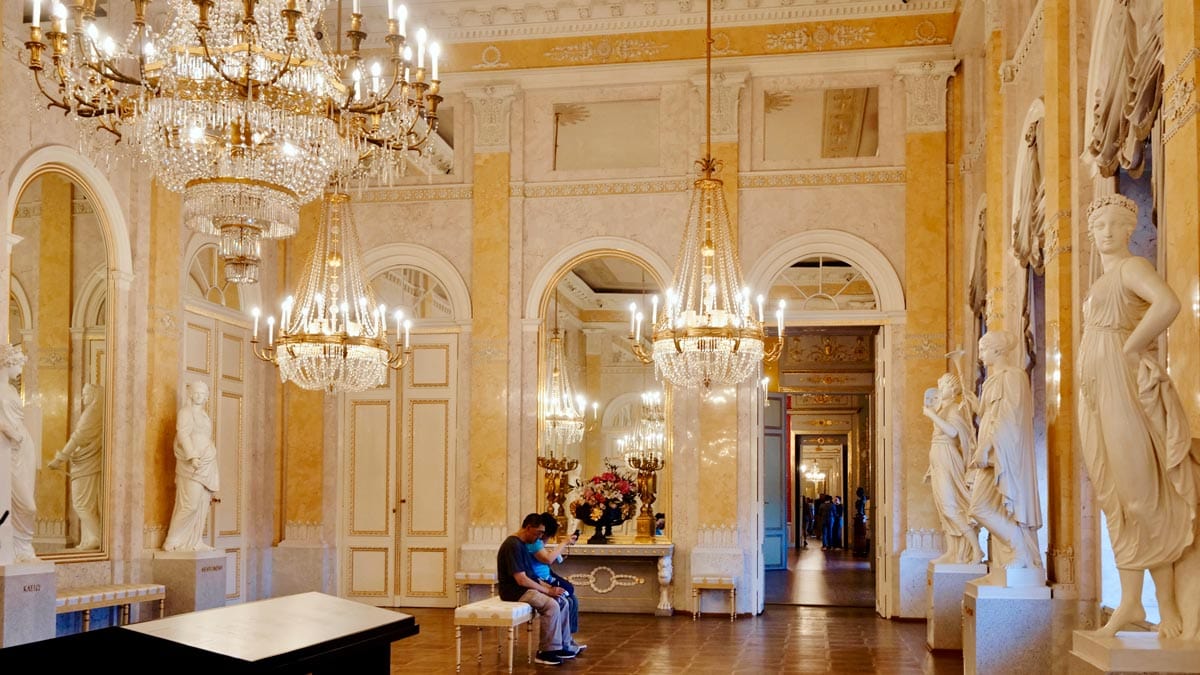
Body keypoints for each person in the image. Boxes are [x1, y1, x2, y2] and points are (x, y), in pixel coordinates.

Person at [1077, 194, 1200, 639]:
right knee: (1113, 496)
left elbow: (1168, 303)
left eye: (1115, 224)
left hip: (1121, 385)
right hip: (1096, 391)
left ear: (1130, 229)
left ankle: (1166, 605)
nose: (1106, 232)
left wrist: (1130, 348)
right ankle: (1130, 602)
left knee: (1141, 496)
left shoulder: (1132, 268)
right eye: (1099, 226)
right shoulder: (1099, 281)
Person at [969, 330, 1043, 584]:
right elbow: (989, 415)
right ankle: (1017, 551)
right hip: (991, 453)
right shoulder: (991, 381)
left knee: (982, 507)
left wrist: (986, 447)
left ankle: (1021, 552)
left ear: (997, 350)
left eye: (983, 349)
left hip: (1003, 453)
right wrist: (974, 405)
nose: (980, 355)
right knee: (978, 507)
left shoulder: (1013, 377)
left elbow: (1008, 418)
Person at [498, 513, 578, 666]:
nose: (540, 537)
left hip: (524, 588)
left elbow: (532, 576)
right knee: (551, 604)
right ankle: (546, 652)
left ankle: (562, 645)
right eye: (539, 533)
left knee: (562, 600)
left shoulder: (521, 544)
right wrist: (547, 591)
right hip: (515, 591)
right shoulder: (512, 545)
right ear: (528, 528)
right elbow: (521, 579)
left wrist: (550, 587)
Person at [923, 373, 984, 565]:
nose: (939, 390)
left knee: (951, 507)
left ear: (953, 389)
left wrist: (931, 415)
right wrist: (931, 469)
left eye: (943, 386)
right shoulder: (943, 408)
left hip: (948, 456)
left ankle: (976, 550)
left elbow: (953, 432)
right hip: (939, 459)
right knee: (943, 509)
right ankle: (953, 552)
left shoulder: (953, 408)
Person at [163, 380, 221, 552]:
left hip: (207, 463)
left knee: (203, 504)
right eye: (196, 393)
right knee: (190, 504)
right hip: (192, 464)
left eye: (203, 394)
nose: (199, 396)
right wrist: (192, 455)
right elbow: (183, 434)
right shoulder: (185, 413)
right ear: (190, 394)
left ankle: (196, 540)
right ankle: (172, 539)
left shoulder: (204, 415)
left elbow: (204, 437)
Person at [47, 383, 104, 550]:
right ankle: (89, 539)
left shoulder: (91, 413)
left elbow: (77, 438)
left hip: (87, 465)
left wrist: (59, 459)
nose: (83, 397)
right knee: (87, 504)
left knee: (81, 504)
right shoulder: (94, 412)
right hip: (85, 463)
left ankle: (96, 537)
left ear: (94, 395)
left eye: (86, 394)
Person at [0, 344, 39, 562]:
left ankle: (22, 548)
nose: (20, 371)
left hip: (24, 449)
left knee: (27, 502)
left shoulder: (13, 391)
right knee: (26, 505)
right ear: (8, 363)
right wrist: (7, 430)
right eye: (19, 365)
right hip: (8, 449)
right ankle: (16, 547)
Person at [528, 513, 585, 651]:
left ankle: (567, 638)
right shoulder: (534, 543)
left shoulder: (537, 542)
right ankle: (564, 642)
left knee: (572, 598)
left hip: (547, 575)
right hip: (542, 580)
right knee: (567, 599)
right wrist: (564, 542)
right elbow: (547, 559)